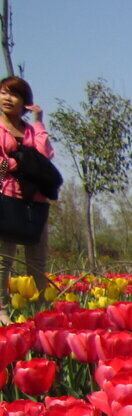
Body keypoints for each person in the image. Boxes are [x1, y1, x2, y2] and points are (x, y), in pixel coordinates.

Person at [0, 75, 53, 311]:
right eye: (3, 92)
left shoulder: (31, 131)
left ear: (25, 102)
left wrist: (39, 122)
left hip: (35, 201)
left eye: (14, 94)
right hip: (6, 198)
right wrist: (14, 165)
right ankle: (1, 311)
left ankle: (41, 312)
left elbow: (45, 156)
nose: (7, 98)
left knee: (37, 260)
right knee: (3, 260)